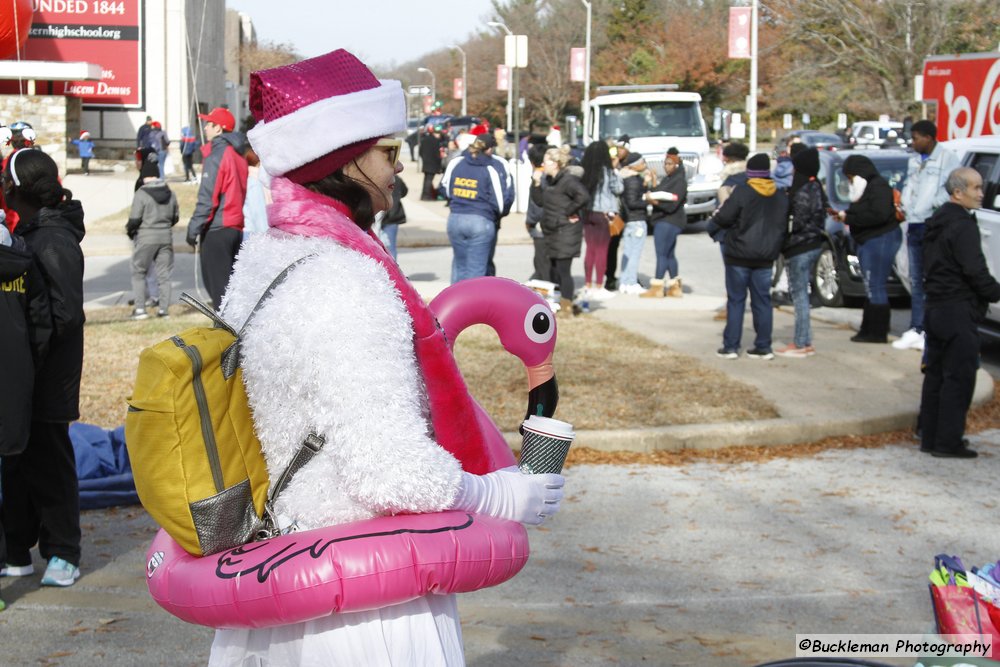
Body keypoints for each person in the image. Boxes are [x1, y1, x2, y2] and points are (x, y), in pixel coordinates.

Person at [207, 48, 564, 666]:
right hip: (359, 603)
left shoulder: (266, 255)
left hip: (287, 571)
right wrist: (506, 497)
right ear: (341, 162)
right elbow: (387, 470)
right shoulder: (345, 279)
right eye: (387, 154)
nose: (397, 172)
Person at [0, 148, 85, 588]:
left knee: (50, 459)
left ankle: (63, 551)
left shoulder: (52, 239)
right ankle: (17, 548)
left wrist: (31, 355)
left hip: (49, 371)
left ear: (18, 189)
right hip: (25, 370)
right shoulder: (31, 232)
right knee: (17, 460)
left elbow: (65, 315)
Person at [919, 168, 1000, 459]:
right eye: (976, 188)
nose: (981, 194)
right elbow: (974, 269)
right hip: (957, 308)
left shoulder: (938, 221)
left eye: (982, 187)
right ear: (957, 192)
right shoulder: (962, 225)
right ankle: (947, 441)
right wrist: (994, 292)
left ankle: (930, 437)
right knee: (958, 377)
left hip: (937, 307)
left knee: (937, 375)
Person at [709, 153, 788, 360]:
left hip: (738, 255)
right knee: (762, 301)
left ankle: (731, 346)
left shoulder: (743, 192)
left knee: (736, 301)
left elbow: (725, 217)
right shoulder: (779, 196)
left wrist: (714, 226)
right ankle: (763, 346)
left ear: (749, 172)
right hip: (765, 257)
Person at [895, 119, 960, 352]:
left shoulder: (947, 159)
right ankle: (917, 327)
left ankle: (931, 330)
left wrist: (932, 208)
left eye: (916, 138)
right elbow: (910, 187)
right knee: (915, 278)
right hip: (913, 223)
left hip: (932, 225)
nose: (913, 143)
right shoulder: (914, 161)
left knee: (933, 278)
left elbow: (952, 190)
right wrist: (905, 204)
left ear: (929, 137)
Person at [185, 107, 247, 307]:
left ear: (219, 129)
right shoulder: (238, 155)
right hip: (234, 228)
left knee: (220, 297)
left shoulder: (217, 155)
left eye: (209, 124)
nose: (205, 128)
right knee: (229, 293)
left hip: (217, 229)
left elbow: (208, 198)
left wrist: (194, 228)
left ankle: (226, 336)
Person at [836, 154, 901, 343]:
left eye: (850, 177)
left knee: (876, 285)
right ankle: (868, 328)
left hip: (879, 239)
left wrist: (849, 218)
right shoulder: (867, 189)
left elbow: (878, 215)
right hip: (869, 239)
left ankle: (877, 331)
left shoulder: (878, 187)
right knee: (871, 286)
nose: (849, 181)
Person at [440, 132, 514, 282]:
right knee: (477, 271)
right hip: (482, 220)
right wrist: (496, 216)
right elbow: (501, 202)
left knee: (460, 267)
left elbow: (444, 188)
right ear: (490, 149)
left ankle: (456, 302)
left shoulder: (457, 162)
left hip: (456, 218)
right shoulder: (491, 167)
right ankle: (474, 304)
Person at [776, 148, 827, 358]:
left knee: (799, 297)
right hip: (814, 244)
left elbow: (796, 222)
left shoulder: (803, 190)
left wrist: (783, 233)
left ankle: (800, 343)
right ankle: (804, 340)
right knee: (802, 294)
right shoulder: (817, 187)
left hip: (800, 247)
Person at [530, 146, 590, 316]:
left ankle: (567, 306)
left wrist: (568, 211)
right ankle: (560, 301)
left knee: (564, 270)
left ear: (556, 164)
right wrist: (535, 183)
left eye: (547, 161)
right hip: (553, 230)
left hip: (566, 231)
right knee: (554, 268)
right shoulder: (550, 181)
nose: (543, 164)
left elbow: (583, 196)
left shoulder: (568, 181)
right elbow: (540, 201)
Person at [126, 151, 179, 319]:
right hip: (166, 237)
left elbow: (135, 218)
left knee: (139, 271)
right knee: (164, 275)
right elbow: (175, 217)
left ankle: (140, 309)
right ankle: (163, 310)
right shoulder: (170, 193)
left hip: (146, 236)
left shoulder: (141, 193)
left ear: (145, 176)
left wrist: (130, 230)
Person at [579, 141, 623, 300]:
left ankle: (587, 284)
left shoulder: (586, 171)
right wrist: (616, 169)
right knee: (602, 250)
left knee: (590, 249)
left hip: (588, 213)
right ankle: (599, 285)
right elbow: (619, 189)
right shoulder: (608, 172)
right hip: (604, 214)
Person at [643, 147, 688, 298]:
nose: (666, 166)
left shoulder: (679, 180)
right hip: (666, 220)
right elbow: (660, 192)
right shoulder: (669, 178)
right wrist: (654, 182)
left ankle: (657, 288)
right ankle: (675, 287)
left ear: (676, 164)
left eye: (669, 164)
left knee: (661, 254)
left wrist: (653, 201)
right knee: (669, 255)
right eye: (665, 163)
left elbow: (672, 204)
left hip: (669, 221)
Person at [617, 151, 652, 295]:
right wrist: (647, 200)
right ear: (635, 165)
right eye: (642, 162)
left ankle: (624, 281)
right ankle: (630, 282)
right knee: (634, 253)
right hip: (637, 219)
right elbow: (633, 201)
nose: (644, 165)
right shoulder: (633, 180)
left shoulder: (625, 178)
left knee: (628, 252)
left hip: (629, 220)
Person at [525, 143, 551, 281]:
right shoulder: (551, 176)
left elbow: (536, 205)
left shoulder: (538, 178)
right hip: (552, 225)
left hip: (540, 226)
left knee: (542, 262)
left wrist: (529, 222)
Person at [379, 173, 407, 260]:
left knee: (389, 248)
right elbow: (404, 191)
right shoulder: (396, 178)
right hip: (390, 217)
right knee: (390, 248)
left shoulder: (378, 176)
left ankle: (392, 270)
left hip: (389, 218)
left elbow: (404, 191)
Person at [418, 124, 445, 200]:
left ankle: (424, 195)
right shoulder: (436, 141)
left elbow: (420, 152)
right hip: (433, 163)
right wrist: (439, 161)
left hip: (426, 163)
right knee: (429, 180)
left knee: (426, 179)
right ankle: (426, 196)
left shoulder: (425, 139)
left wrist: (424, 159)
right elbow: (437, 154)